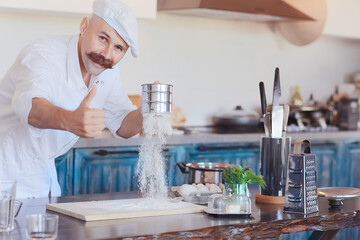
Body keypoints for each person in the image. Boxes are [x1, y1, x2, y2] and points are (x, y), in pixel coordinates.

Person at [0, 0, 143, 199]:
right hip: (4, 178)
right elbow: (30, 107)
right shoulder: (44, 53)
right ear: (84, 26)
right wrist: (70, 120)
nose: (107, 54)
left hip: (43, 181)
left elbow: (121, 125)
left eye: (118, 48)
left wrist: (149, 112)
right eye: (102, 38)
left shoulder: (108, 72)